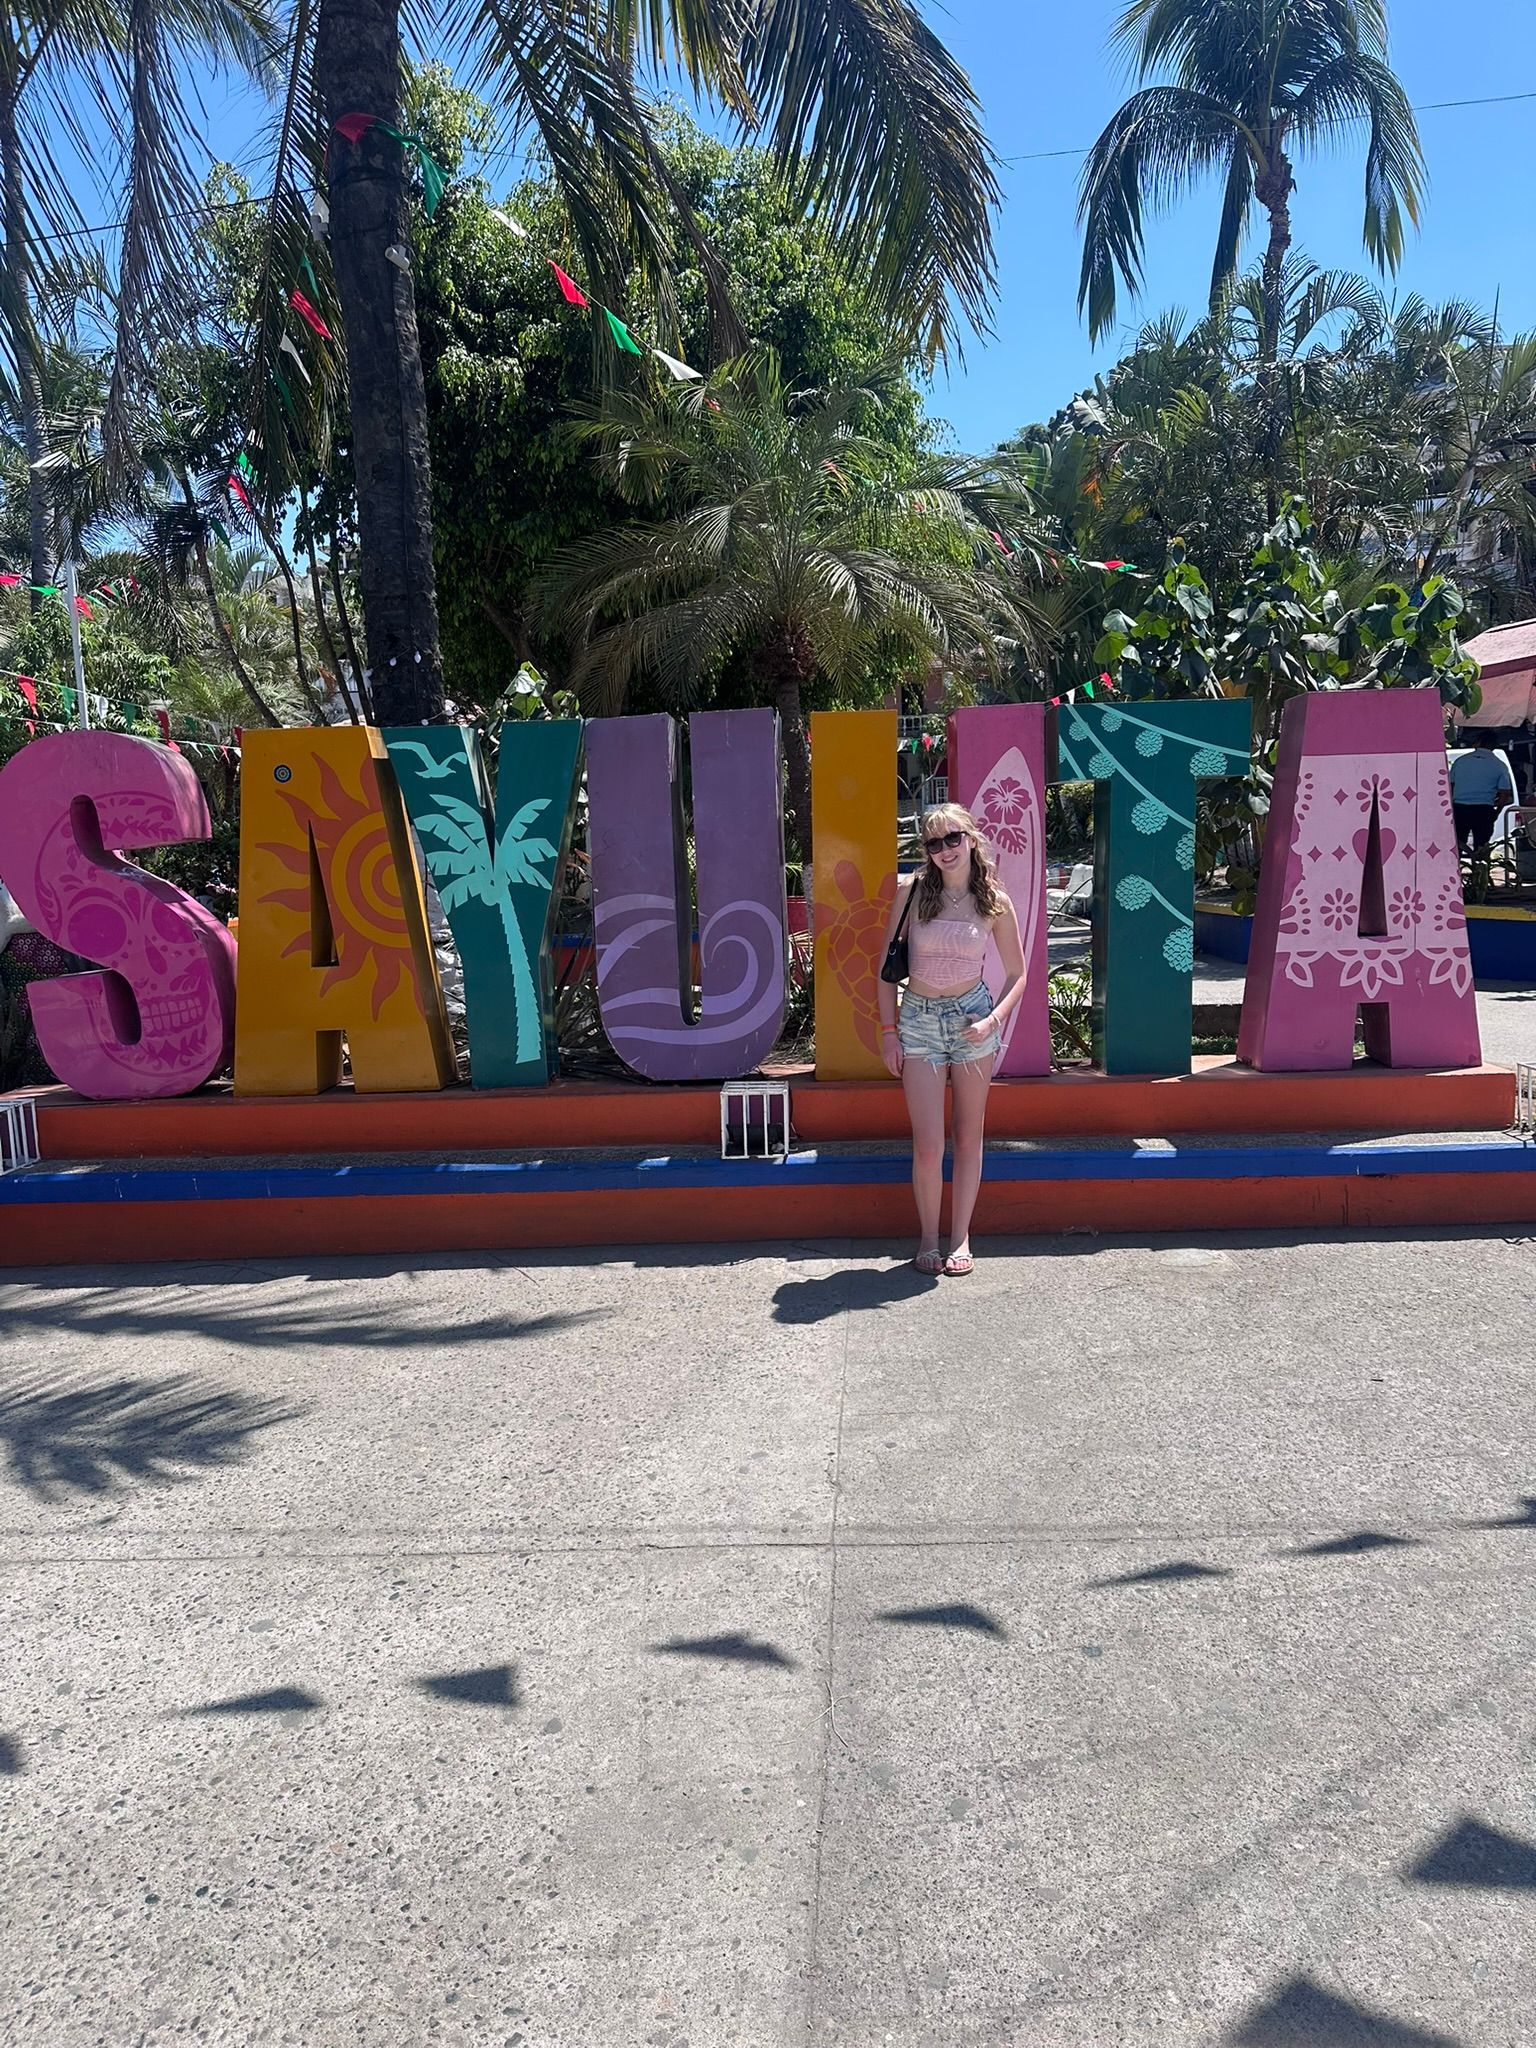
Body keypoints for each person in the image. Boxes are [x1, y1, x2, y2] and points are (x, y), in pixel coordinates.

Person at [876, 804, 1027, 1277]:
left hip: (971, 1021)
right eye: (933, 843)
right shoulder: (912, 891)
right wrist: (887, 1033)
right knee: (927, 1143)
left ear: (971, 838)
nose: (944, 850)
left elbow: (1019, 974)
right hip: (918, 1019)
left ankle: (960, 1237)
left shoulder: (993, 901)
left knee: (968, 1136)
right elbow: (884, 972)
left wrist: (993, 1023)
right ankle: (927, 1237)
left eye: (952, 839)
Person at [1450, 734, 1515, 853]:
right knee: (1481, 847)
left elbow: (1450, 785)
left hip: (1460, 808)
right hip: (1484, 809)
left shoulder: (1461, 761)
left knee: (1457, 845)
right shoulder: (1499, 765)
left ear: (1478, 742)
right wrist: (1497, 811)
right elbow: (1504, 793)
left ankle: (1455, 869)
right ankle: (1480, 870)